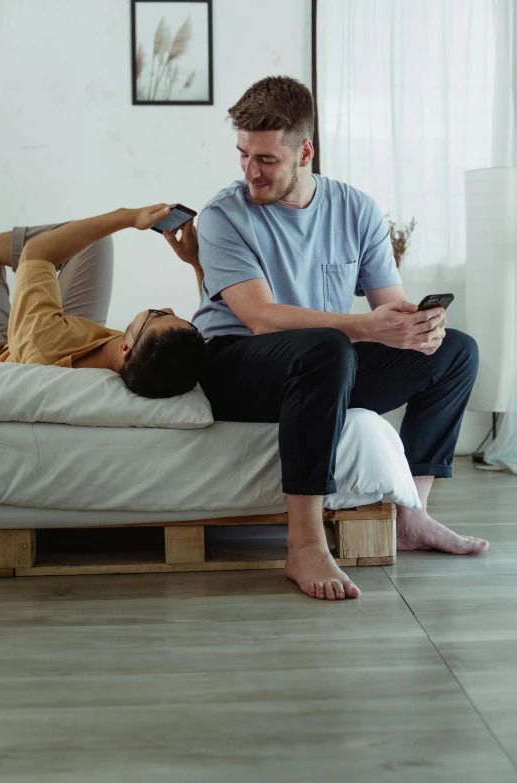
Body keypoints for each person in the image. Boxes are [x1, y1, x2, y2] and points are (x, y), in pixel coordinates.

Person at [193, 75, 489, 602]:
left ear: (304, 151)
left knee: (456, 350)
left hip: (320, 370)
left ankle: (411, 516)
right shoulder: (222, 215)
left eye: (265, 160)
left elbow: (387, 305)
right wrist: (360, 328)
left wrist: (415, 327)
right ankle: (303, 543)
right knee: (328, 345)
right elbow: (259, 317)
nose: (249, 172)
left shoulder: (356, 208)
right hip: (235, 367)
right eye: (242, 156)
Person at [0, 204, 206, 398]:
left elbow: (35, 251)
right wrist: (196, 261)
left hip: (6, 347)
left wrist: (129, 217)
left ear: (126, 349)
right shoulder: (161, 360)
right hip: (79, 340)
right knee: (93, 242)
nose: (166, 307)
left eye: (157, 315)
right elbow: (210, 317)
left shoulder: (42, 341)